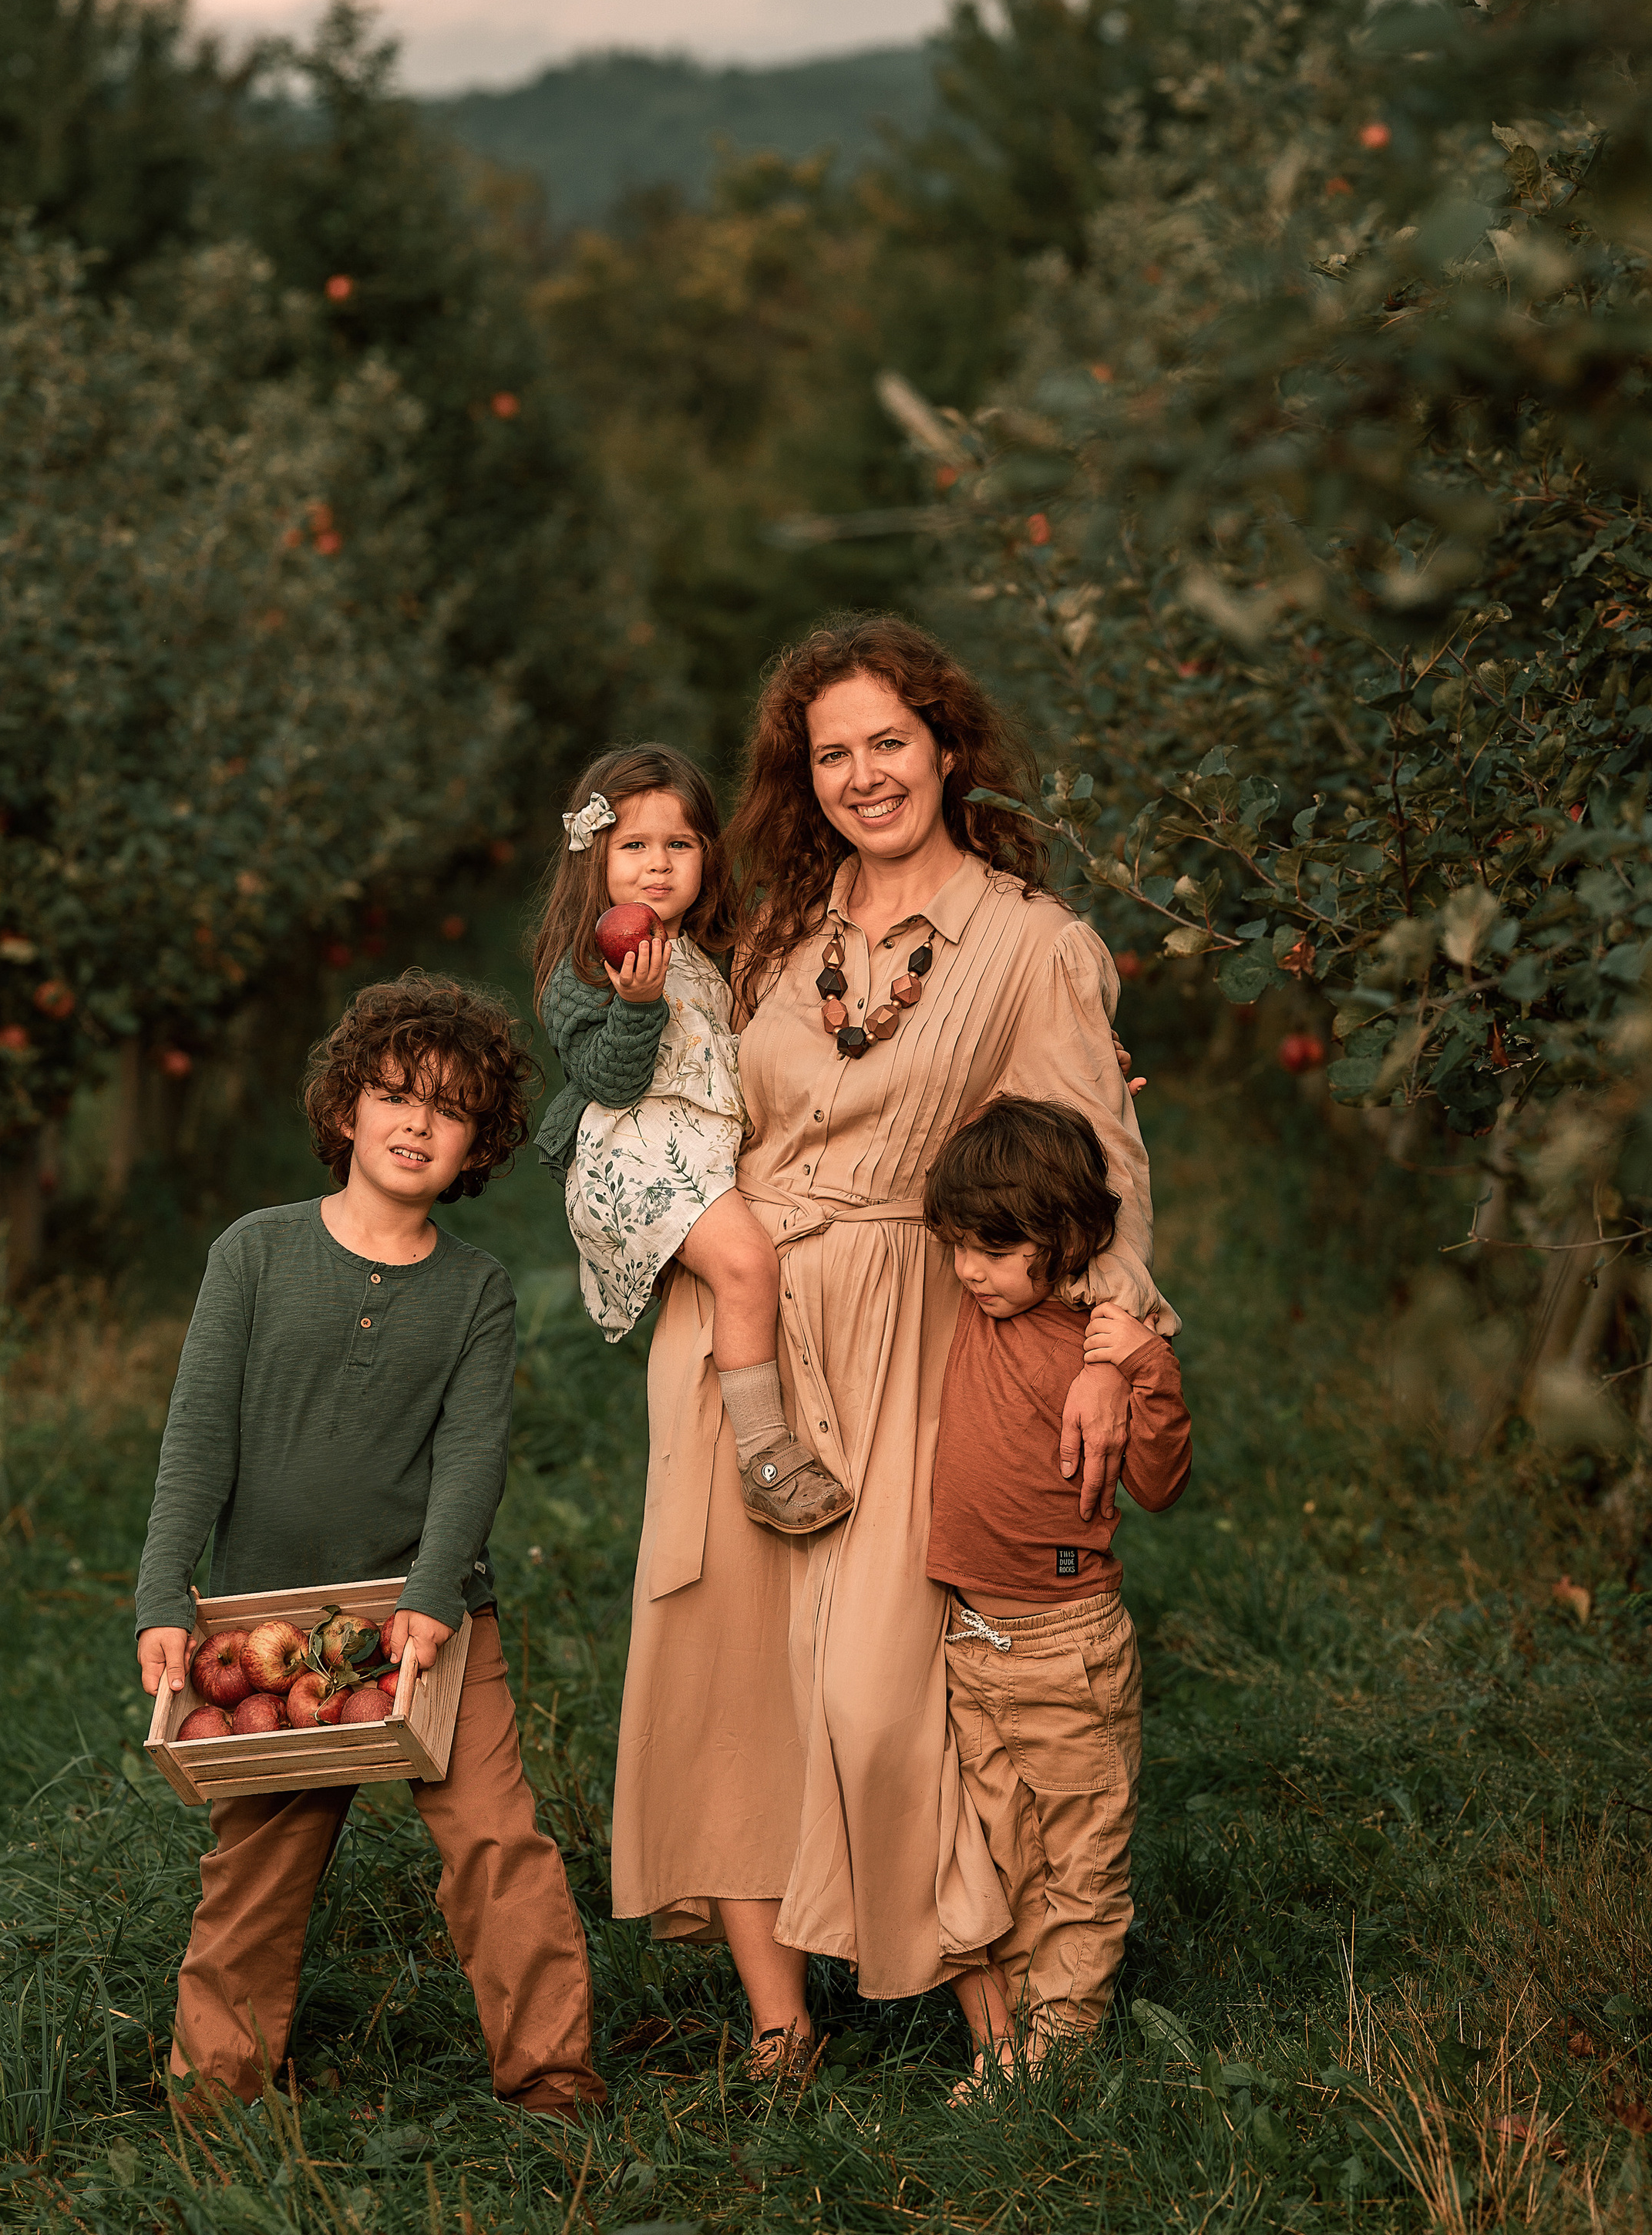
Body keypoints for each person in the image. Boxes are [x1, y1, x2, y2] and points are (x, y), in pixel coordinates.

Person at [611, 613, 1176, 2078]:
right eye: (831, 753)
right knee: (727, 1674)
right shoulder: (775, 936)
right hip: (737, 1331)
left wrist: (1112, 1348)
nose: (864, 776)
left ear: (946, 750)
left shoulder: (1031, 945)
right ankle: (781, 2021)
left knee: (882, 1694)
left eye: (889, 743)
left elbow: (1099, 1167)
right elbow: (680, 1114)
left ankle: (994, 1997)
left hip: (908, 1331)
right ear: (804, 779)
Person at [133, 971, 607, 2124]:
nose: (415, 1122)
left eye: (447, 1111)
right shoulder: (254, 1253)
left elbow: (471, 1454)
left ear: (475, 1147)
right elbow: (197, 1430)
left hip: (424, 1612)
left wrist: (436, 1592)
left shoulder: (475, 1292)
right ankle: (219, 2090)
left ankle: (552, 2076)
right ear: (345, 1108)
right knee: (259, 1869)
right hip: (273, 1623)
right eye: (395, 1093)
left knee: (497, 1838)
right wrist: (163, 1592)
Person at [922, 1095, 1191, 2093]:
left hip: (1065, 1640)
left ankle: (1056, 2054)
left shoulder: (1101, 1346)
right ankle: (1026, 2033)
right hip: (967, 1636)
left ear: (1067, 1239)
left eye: (994, 1252)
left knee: (1081, 1850)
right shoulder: (967, 1305)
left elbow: (1161, 1485)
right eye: (957, 1247)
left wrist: (1143, 1364)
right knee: (1006, 1852)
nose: (968, 1271)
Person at [531, 742, 850, 1535]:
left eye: (679, 845)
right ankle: (765, 1456)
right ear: (594, 858)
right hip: (633, 1158)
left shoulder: (712, 952)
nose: (658, 866)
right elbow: (611, 1082)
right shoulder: (583, 969)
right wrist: (636, 1004)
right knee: (747, 1265)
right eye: (634, 846)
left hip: (697, 1149)